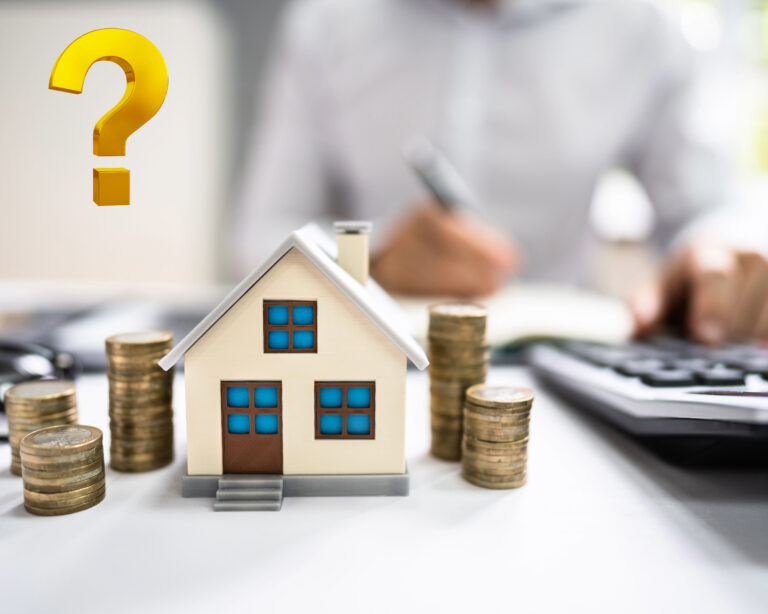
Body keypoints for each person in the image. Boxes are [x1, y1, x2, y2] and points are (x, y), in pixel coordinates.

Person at [231, 0, 768, 345]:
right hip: (377, 347)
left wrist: (717, 254)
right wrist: (374, 263)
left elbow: (707, 211)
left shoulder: (650, 28)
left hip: (566, 362)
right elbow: (259, 236)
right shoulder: (325, 22)